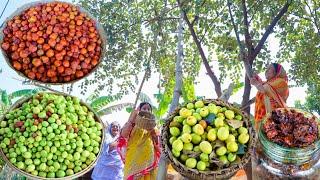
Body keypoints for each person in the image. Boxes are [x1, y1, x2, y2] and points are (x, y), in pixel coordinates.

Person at [119, 102, 160, 180]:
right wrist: (131, 120)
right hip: (134, 159)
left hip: (149, 160)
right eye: (144, 108)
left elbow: (157, 142)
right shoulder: (132, 123)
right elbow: (123, 135)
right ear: (139, 110)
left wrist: (152, 131)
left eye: (149, 109)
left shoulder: (154, 126)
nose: (147, 111)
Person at [250, 63, 289, 130]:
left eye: (270, 68)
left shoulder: (281, 82)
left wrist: (256, 84)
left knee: (268, 134)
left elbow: (265, 89)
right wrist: (255, 77)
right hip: (261, 117)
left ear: (276, 72)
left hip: (273, 117)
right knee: (260, 135)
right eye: (267, 68)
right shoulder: (267, 83)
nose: (267, 70)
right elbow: (262, 84)